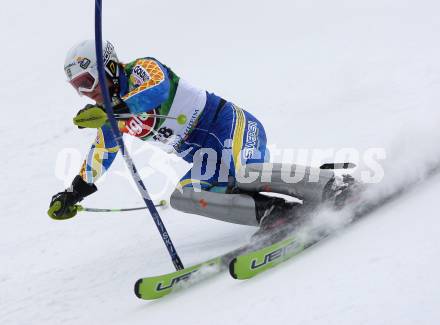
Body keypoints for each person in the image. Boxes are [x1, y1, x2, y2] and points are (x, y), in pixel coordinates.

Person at [48, 40, 354, 234]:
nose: (88, 93)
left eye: (89, 82)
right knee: (183, 197)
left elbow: (158, 90)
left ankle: (333, 185)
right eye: (79, 87)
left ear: (110, 67)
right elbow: (101, 153)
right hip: (206, 159)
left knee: (245, 172)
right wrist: (75, 192)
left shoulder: (143, 69)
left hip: (230, 126)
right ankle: (276, 213)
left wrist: (118, 109)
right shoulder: (109, 116)